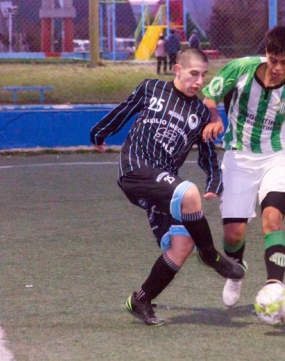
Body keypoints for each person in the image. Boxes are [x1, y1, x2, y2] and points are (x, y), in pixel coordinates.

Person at [89, 48, 245, 326]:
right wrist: (99, 133)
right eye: (193, 74)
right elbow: (123, 111)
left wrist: (215, 181)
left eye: (203, 76)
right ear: (177, 70)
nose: (198, 81)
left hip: (163, 182)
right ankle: (210, 256)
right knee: (189, 193)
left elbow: (207, 153)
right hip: (136, 168)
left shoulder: (200, 111)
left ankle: (141, 299)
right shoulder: (151, 88)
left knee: (181, 245)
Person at [201, 24, 285, 309]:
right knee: (233, 235)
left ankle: (275, 286)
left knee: (272, 219)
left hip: (276, 159)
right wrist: (213, 115)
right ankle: (236, 270)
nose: (277, 68)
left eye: (284, 63)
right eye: (273, 60)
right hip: (238, 158)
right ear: (266, 53)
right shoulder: (240, 70)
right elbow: (209, 95)